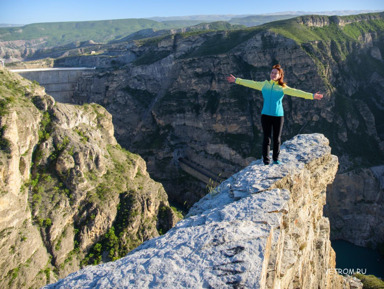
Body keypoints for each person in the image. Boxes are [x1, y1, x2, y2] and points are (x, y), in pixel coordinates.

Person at [226, 64, 323, 165]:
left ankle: (276, 159)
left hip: (278, 116)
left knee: (277, 138)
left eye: (275, 73)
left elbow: (297, 92)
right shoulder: (264, 84)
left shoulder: (283, 87)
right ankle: (266, 160)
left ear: (280, 75)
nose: (273, 74)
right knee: (266, 138)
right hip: (266, 115)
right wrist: (236, 80)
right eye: (272, 72)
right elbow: (251, 83)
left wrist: (312, 96)